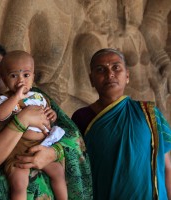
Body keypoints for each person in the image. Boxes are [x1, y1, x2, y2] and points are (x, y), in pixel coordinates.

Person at [0, 39, 92, 199]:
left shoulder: (37, 95)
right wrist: (22, 120)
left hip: (48, 187)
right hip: (9, 187)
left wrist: (53, 152)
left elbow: (71, 134)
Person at [71, 48, 171, 199]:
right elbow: (76, 171)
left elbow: (167, 168)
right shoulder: (82, 118)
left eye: (116, 67)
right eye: (100, 69)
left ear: (127, 76)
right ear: (91, 80)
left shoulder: (148, 113)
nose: (109, 74)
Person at [0, 50, 66, 199]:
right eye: (13, 75)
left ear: (33, 76)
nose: (20, 80)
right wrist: (16, 98)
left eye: (26, 75)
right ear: (4, 79)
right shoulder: (5, 99)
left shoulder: (39, 96)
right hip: (18, 151)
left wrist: (52, 114)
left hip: (42, 146)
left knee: (58, 172)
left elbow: (48, 114)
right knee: (19, 181)